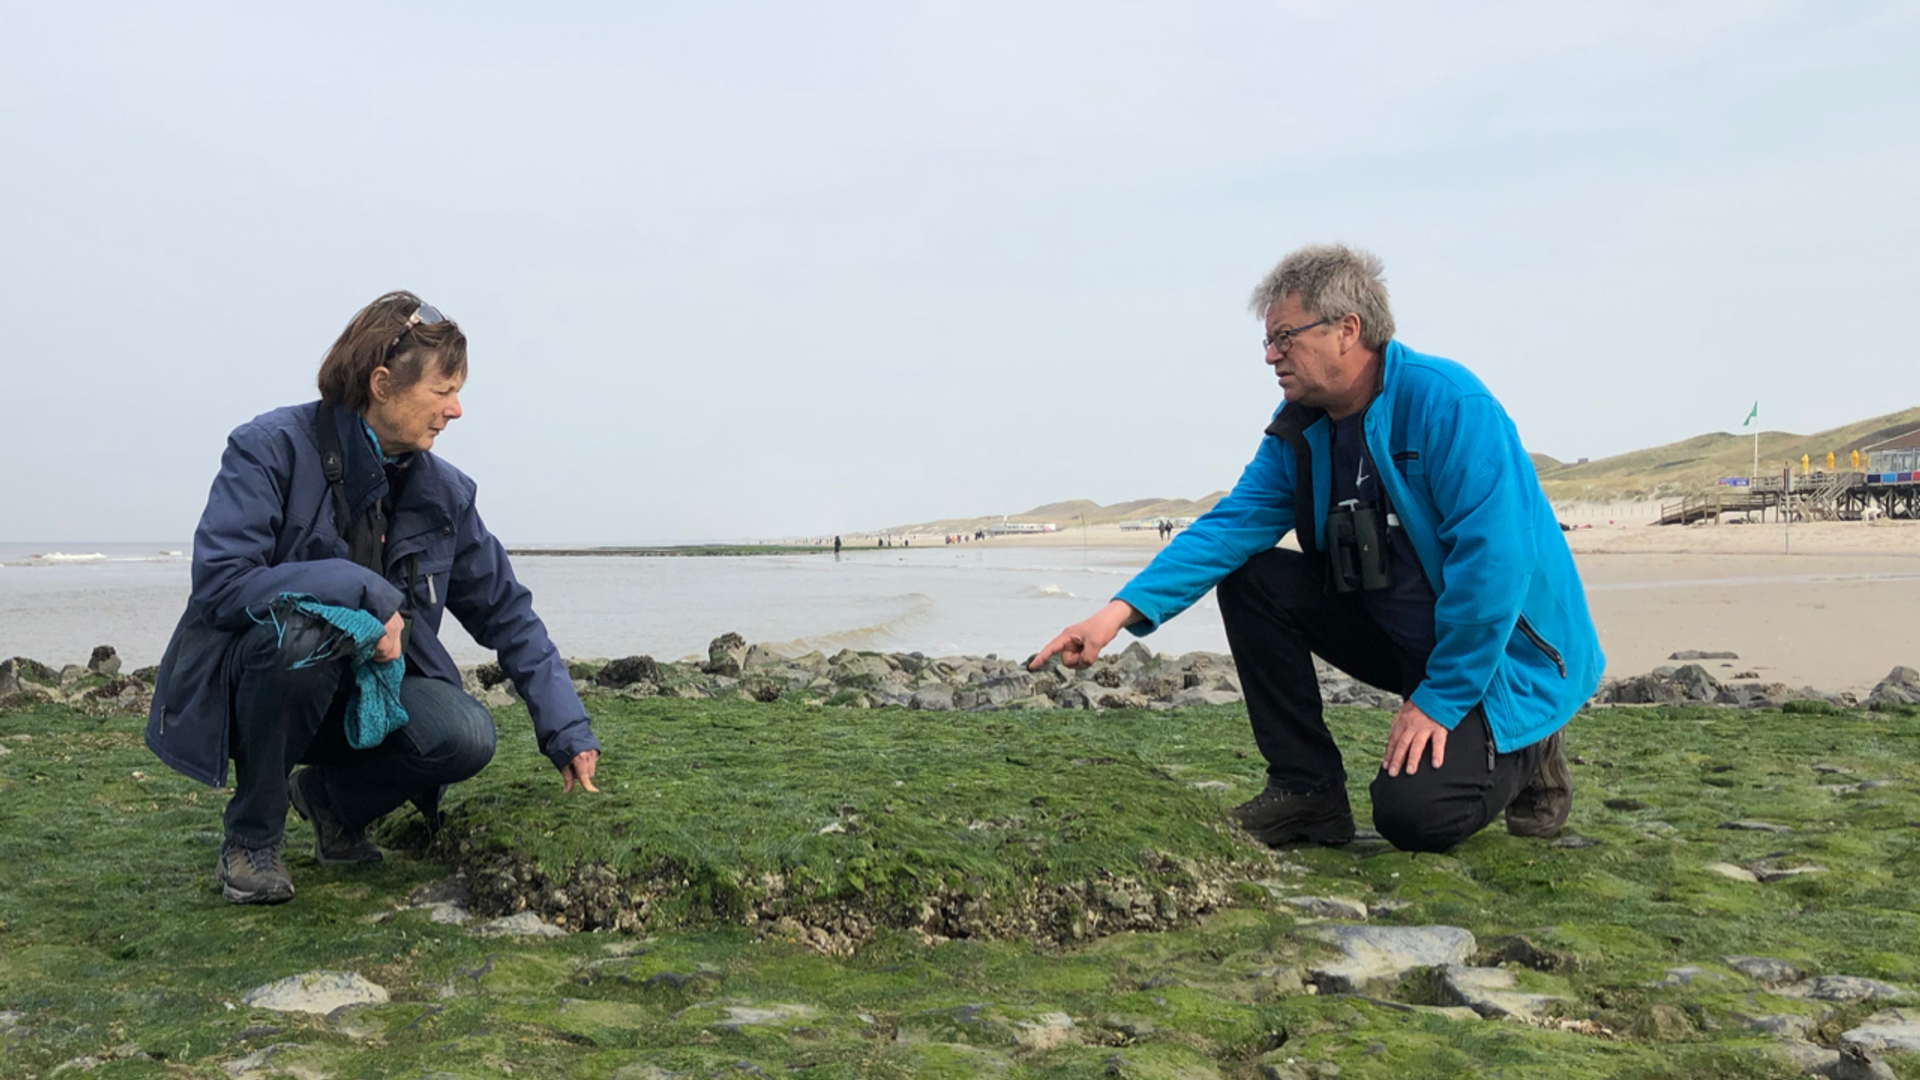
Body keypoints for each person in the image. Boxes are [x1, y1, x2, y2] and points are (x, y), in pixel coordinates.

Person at [1030, 245, 1601, 854]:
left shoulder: (1450, 405)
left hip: (1507, 659)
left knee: (1414, 816)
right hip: (1405, 640)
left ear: (1347, 330)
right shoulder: (1300, 427)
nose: (1272, 356)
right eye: (1267, 342)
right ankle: (1307, 791)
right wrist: (1113, 616)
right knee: (1253, 578)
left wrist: (1439, 700)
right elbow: (1229, 528)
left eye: (1284, 338)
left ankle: (1534, 741)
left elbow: (1494, 568)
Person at [147, 291, 603, 905]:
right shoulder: (268, 448)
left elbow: (508, 614)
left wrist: (567, 728)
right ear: (382, 383)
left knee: (467, 734)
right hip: (259, 689)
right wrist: (363, 588)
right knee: (302, 639)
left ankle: (331, 805)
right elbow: (223, 583)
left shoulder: (445, 495)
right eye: (443, 391)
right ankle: (251, 840)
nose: (457, 409)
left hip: (365, 698)